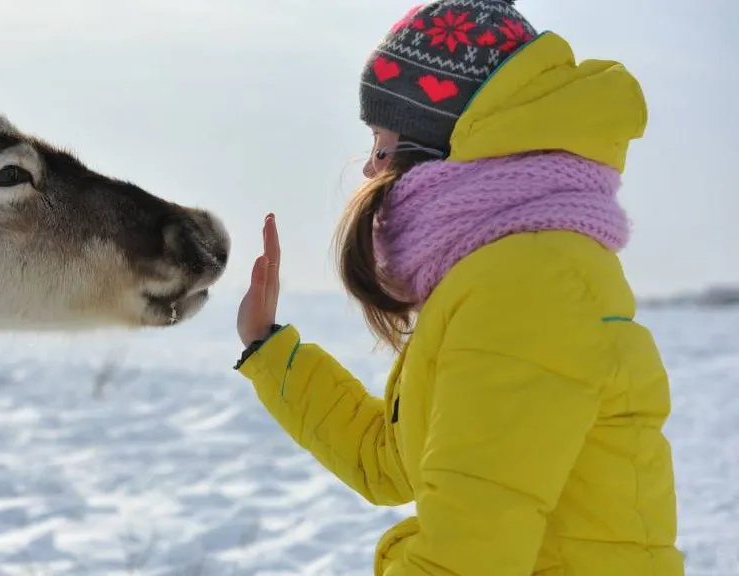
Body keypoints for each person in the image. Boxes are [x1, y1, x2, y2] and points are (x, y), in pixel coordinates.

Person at [233, 0, 686, 574]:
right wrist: (268, 348)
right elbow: (390, 463)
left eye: (381, 142)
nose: (371, 169)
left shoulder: (528, 284)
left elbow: (468, 557)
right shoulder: (496, 271)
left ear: (440, 142)